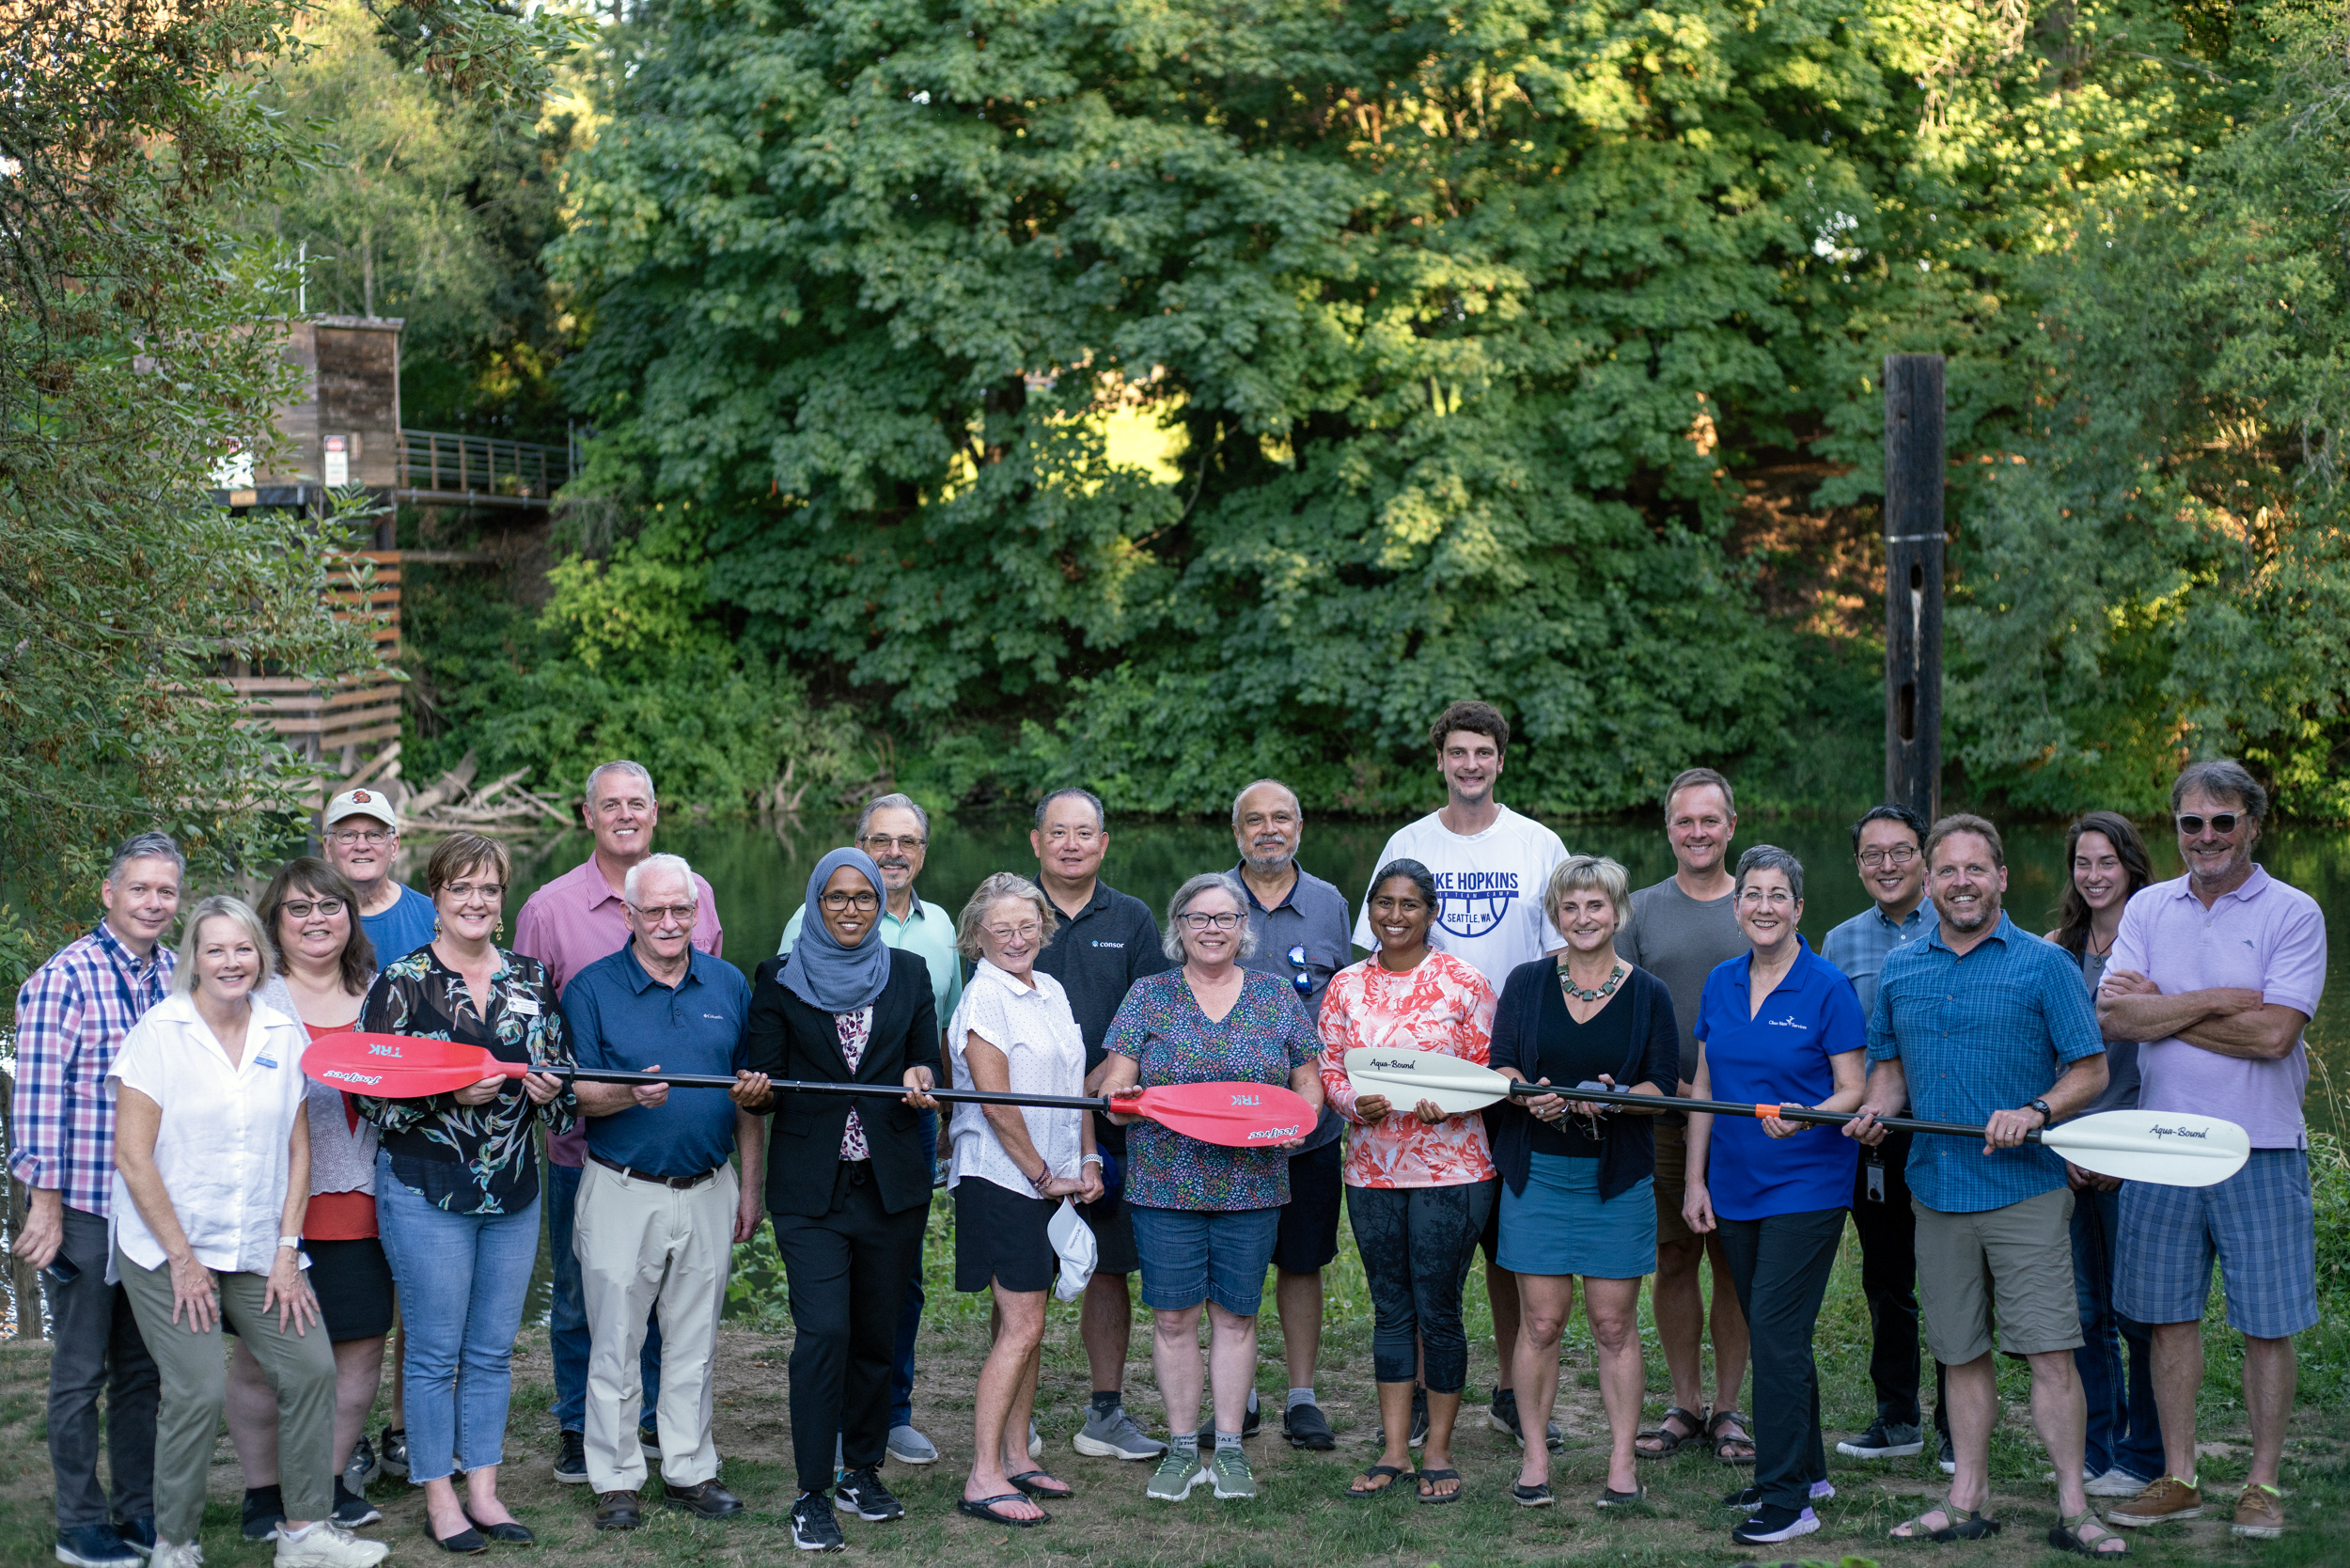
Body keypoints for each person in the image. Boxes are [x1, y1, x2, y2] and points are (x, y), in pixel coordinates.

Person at [1843, 814, 2123, 1556]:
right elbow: (1890, 1074)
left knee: (2049, 1353)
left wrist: (2036, 1111)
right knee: (1960, 1352)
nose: (1961, 883)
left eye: (1976, 869)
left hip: (2027, 1191)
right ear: (1928, 882)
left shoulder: (2045, 965)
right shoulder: (1902, 970)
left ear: (2002, 877)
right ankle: (1968, 1498)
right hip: (1935, 1191)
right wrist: (1875, 1114)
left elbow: (2090, 1070)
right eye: (1948, 871)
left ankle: (2073, 1508)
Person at [108, 895, 388, 1568]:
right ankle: (174, 1543)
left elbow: (298, 1152)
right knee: (199, 1387)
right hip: (167, 1247)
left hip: (257, 1244)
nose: (231, 961)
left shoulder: (278, 1032)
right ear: (193, 961)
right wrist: (181, 1258)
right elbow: (132, 1156)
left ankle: (303, 1533)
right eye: (216, 950)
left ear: (260, 957)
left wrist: (288, 1250)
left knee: (313, 1367)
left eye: (243, 949)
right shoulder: (160, 1031)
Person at [2100, 760, 2326, 1542]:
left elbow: (2273, 1036)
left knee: (2267, 1321)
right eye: (2191, 823)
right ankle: (2180, 1475)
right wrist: (2211, 1001)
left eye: (2222, 821)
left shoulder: (2295, 913)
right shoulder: (2149, 908)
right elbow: (2114, 1022)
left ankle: (2261, 1483)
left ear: (2253, 825)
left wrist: (2160, 1010)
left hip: (2258, 1144)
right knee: (2168, 1318)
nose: (2206, 837)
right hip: (2163, 1145)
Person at [1353, 700, 1569, 1446]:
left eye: (1483, 752)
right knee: (1420, 1264)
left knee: (1511, 1247)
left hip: (1514, 1066)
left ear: (1500, 761)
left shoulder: (1538, 843)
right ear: (1440, 760)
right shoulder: (1407, 842)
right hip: (1420, 1081)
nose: (1470, 764)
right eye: (1458, 753)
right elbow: (1372, 952)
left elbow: (1559, 954)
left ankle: (1513, 1392)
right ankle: (1413, 1393)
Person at [355, 832, 577, 1553]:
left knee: (490, 1351)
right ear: (438, 899)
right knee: (431, 1351)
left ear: (501, 900)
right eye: (461, 888)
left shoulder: (531, 979)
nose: (476, 901)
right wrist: (448, 1092)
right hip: (426, 1189)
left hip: (513, 1190)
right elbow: (370, 1099)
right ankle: (439, 1496)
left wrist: (551, 1090)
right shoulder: (402, 982)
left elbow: (567, 1101)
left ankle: (483, 1489)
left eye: (489, 889)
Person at [511, 760, 722, 1486]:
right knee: (581, 1299)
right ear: (588, 814)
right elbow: (530, 1018)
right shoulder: (548, 907)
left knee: (668, 1302)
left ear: (655, 812)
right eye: (611, 805)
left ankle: (661, 1426)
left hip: (683, 1151)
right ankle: (580, 1427)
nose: (625, 815)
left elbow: (705, 1003)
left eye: (638, 803)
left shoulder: (696, 893)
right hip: (584, 1148)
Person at [738, 849, 940, 1554]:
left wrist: (924, 1077)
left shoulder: (909, 974)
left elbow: (927, 1063)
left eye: (863, 896)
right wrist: (757, 1088)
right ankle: (811, 1490)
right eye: (837, 897)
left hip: (891, 1187)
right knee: (824, 1333)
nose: (851, 908)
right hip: (811, 1191)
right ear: (815, 903)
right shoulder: (779, 979)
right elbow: (763, 1074)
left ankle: (862, 1469)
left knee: (877, 1336)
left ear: (880, 903)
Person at [1101, 873, 1323, 1505]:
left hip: (1252, 1186)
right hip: (1164, 1183)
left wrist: (1298, 1123)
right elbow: (1116, 1084)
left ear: (1242, 928)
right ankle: (1178, 1448)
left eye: (1225, 919)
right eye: (1199, 919)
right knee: (1173, 1317)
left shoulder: (1276, 995)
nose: (1213, 930)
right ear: (1180, 927)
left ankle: (1227, 1448)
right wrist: (1125, 1104)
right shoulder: (1149, 995)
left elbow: (1309, 1080)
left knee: (1236, 1315)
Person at [564, 853, 761, 1531]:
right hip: (623, 1186)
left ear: (697, 912)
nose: (670, 922)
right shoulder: (592, 988)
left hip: (708, 1183)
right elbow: (577, 1096)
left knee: (694, 1340)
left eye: (682, 909)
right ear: (629, 915)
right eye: (655, 910)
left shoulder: (729, 984)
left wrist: (749, 1187)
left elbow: (747, 1100)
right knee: (616, 1341)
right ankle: (616, 1478)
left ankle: (689, 1469)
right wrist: (626, 1093)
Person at [1682, 847, 1866, 1547]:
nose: (1764, 906)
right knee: (1772, 1332)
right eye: (1752, 893)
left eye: (1778, 895)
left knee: (1778, 1334)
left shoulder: (1826, 986)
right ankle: (1808, 1470)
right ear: (1737, 908)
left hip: (1807, 1185)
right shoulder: (1722, 982)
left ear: (1798, 908)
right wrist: (1695, 1180)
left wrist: (1812, 1110)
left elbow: (1852, 1086)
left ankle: (1788, 1501)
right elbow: (1705, 1087)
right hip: (1733, 1184)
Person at [776, 792, 963, 1466]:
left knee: (894, 1292)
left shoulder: (938, 933)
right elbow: (785, 1038)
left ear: (922, 851)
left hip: (902, 1133)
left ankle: (888, 1418)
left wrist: (934, 1100)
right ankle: (828, 1431)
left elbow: (938, 1035)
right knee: (828, 1316)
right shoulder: (803, 934)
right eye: (880, 839)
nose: (894, 853)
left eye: (907, 841)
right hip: (821, 1153)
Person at [11, 831, 179, 1568]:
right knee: (80, 1371)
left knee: (143, 1370)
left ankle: (135, 1510)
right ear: (109, 894)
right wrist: (41, 1204)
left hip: (151, 1212)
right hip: (80, 1206)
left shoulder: (177, 975)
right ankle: (80, 1523)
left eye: (166, 891)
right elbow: (41, 1101)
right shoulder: (65, 978)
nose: (153, 902)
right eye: (139, 888)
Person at [1488, 855, 1676, 1512]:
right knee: (1540, 1322)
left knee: (1614, 1324)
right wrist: (1527, 1096)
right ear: (1555, 915)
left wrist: (1619, 1098)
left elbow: (1662, 1090)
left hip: (1614, 1179)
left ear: (1618, 911)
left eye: (1596, 905)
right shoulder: (1527, 982)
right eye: (1570, 907)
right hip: (1537, 1171)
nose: (1583, 917)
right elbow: (1502, 1064)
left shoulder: (1649, 993)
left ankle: (1622, 1463)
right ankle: (1535, 1456)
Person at [1318, 859, 1498, 1504]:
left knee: (1439, 1309)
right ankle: (1395, 1449)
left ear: (1432, 912)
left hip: (1452, 1169)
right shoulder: (1345, 985)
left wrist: (1448, 1101)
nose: (1395, 916)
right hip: (1371, 1171)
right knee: (1391, 1309)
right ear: (1370, 909)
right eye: (1384, 903)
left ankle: (1440, 1452)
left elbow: (1488, 1070)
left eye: (1410, 905)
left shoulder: (1463, 982)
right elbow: (1332, 1068)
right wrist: (1349, 1103)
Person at [227, 861, 391, 1538]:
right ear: (274, 922)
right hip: (274, 1207)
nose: (317, 918)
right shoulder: (248, 998)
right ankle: (264, 1493)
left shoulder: (384, 994)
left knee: (359, 1350)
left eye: (331, 905)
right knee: (263, 1358)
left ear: (350, 917)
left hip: (365, 1201)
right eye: (299, 908)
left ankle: (327, 1482)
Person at [942, 873, 1102, 1528]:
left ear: (1044, 927)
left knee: (1028, 1325)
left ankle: (1016, 1454)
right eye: (1001, 928)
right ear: (976, 935)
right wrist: (1042, 1175)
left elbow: (1075, 1089)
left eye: (1027, 926)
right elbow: (995, 1103)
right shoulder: (985, 1000)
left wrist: (1087, 1158)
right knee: (1023, 1325)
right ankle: (983, 1476)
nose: (1015, 938)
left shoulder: (1052, 990)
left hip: (1050, 1178)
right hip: (1000, 1179)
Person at [1028, 788, 1174, 1463]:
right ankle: (1017, 1417)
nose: (1071, 844)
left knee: (1111, 1269)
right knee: (1021, 1273)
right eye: (1058, 832)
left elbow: (1151, 1011)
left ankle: (1105, 1414)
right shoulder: (1013, 912)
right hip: (1021, 1126)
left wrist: (1102, 1079)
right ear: (1037, 842)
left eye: (1084, 833)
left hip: (1111, 1123)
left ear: (1103, 843)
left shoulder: (1135, 917)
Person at [1615, 767, 1752, 1466]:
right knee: (1674, 1254)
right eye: (1683, 822)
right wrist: (1658, 1083)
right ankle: (1685, 1402)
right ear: (1668, 829)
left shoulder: (1758, 903)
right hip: (1665, 1112)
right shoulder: (1639, 909)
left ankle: (1729, 1407)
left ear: (1731, 826)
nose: (1697, 833)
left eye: (1709, 821)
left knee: (1733, 1260)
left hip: (1741, 1116)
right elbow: (1625, 1006)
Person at [1228, 778, 1352, 1450]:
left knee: (1302, 1261)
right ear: (1237, 831)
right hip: (1227, 1123)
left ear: (1300, 826)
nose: (1268, 829)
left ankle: (1301, 1397)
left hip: (1310, 1125)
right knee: (1236, 1257)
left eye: (1281, 818)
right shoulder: (1210, 900)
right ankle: (1237, 1389)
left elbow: (1352, 999)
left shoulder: (1331, 904)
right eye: (1255, 820)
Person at [2044, 812, 2165, 1499]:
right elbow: (2041, 1052)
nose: (2093, 876)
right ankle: (2096, 1446)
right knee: (2082, 1310)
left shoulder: (2156, 948)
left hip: (2135, 1154)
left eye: (2107, 863)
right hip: (2069, 1148)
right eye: (2083, 863)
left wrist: (2130, 1151)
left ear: (2131, 867)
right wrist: (2060, 1141)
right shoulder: (2057, 948)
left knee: (2137, 1311)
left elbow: (2168, 1060)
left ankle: (2144, 1451)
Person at [1819, 803, 1942, 1467]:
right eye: (1873, 854)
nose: (1888, 865)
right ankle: (1899, 1417)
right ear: (1859, 864)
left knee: (1956, 1276)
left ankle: (1958, 1419)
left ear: (1924, 856)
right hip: (1876, 1135)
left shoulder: (1957, 922)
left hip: (1949, 1128)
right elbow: (1835, 1043)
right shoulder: (1839, 942)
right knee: (1888, 1278)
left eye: (1901, 851)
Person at [322, 790, 436, 965]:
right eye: (348, 835)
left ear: (394, 846)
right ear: (328, 848)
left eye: (374, 834)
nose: (361, 846)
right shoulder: (308, 921)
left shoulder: (432, 915)